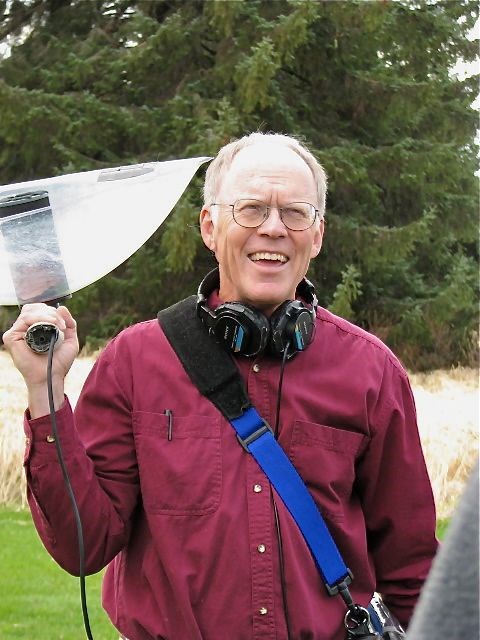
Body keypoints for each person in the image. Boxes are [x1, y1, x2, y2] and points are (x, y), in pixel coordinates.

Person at [3, 133, 438, 640]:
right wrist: (46, 392)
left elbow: (411, 568)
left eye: (295, 213)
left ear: (317, 235)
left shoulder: (372, 373)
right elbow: (85, 545)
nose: (273, 229)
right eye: (250, 209)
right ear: (210, 226)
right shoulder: (134, 363)